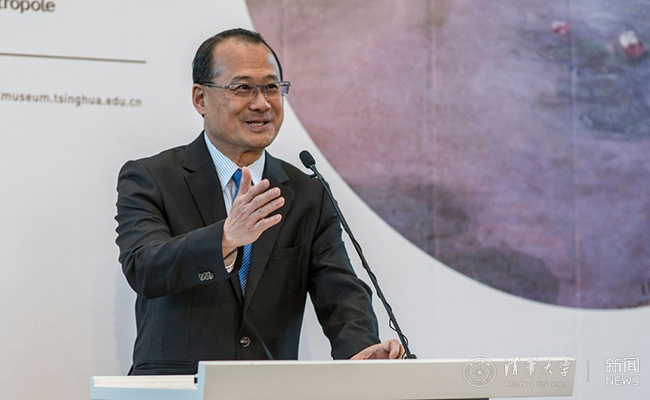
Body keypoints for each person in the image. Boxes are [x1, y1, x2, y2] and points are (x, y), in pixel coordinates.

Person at [115, 28, 403, 376]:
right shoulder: (152, 178)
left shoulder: (307, 193)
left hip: (268, 387)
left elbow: (339, 291)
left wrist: (361, 350)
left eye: (271, 88)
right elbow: (144, 268)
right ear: (200, 98)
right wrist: (225, 238)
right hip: (176, 389)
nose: (262, 103)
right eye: (242, 88)